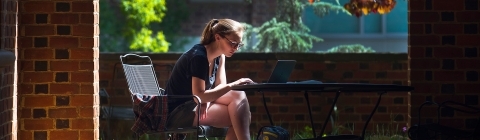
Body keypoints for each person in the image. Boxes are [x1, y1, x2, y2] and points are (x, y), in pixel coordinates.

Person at [165, 18, 254, 140]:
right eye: (233, 43)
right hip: (177, 112)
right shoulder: (199, 57)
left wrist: (206, 100)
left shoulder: (220, 57)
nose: (236, 48)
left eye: (239, 44)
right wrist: (234, 84)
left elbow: (221, 87)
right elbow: (199, 96)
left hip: (195, 103)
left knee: (239, 99)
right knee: (240, 118)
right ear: (218, 37)